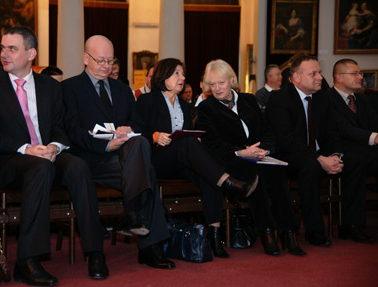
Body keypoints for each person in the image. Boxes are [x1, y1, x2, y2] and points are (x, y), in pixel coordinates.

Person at [0, 26, 107, 285]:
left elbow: (61, 127)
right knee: (40, 167)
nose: (4, 53)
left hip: (46, 155)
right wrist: (26, 148)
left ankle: (95, 252)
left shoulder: (49, 86)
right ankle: (27, 260)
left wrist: (55, 146)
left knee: (78, 166)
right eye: (2, 48)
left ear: (31, 53)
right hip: (8, 160)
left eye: (12, 48)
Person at [62, 35, 175, 270]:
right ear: (85, 58)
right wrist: (104, 144)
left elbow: (140, 127)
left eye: (110, 61)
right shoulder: (69, 88)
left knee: (141, 145)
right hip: (89, 160)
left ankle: (133, 216)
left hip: (123, 160)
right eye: (100, 60)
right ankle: (125, 247)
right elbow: (71, 130)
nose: (106, 66)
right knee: (147, 173)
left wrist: (128, 131)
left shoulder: (122, 90)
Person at [136, 58, 258, 258]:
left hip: (181, 161)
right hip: (156, 161)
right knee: (189, 146)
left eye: (183, 74)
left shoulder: (185, 105)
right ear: (163, 75)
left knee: (209, 176)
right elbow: (137, 132)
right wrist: (155, 136)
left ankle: (215, 236)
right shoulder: (148, 100)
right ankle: (231, 183)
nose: (182, 78)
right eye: (176, 73)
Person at [195, 59, 305, 256]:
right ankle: (267, 232)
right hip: (230, 160)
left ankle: (289, 232)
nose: (217, 88)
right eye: (212, 84)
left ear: (231, 80)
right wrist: (241, 152)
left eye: (221, 82)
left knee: (276, 170)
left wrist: (265, 150)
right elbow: (211, 144)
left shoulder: (248, 100)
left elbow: (267, 132)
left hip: (259, 156)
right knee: (256, 173)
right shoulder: (206, 108)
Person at [265, 54, 344, 247]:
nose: (320, 77)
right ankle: (314, 231)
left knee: (355, 160)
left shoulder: (322, 98)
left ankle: (351, 225)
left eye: (319, 73)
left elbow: (331, 132)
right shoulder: (279, 99)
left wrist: (334, 156)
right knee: (311, 166)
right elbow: (286, 140)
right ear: (296, 77)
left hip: (316, 155)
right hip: (287, 156)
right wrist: (319, 158)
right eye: (313, 73)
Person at [326, 58, 377, 243]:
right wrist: (374, 137)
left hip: (366, 151)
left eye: (360, 73)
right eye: (355, 73)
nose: (361, 77)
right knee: (355, 162)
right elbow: (341, 128)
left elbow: (374, 125)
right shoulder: (327, 98)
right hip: (340, 151)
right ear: (339, 77)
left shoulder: (362, 100)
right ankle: (351, 226)